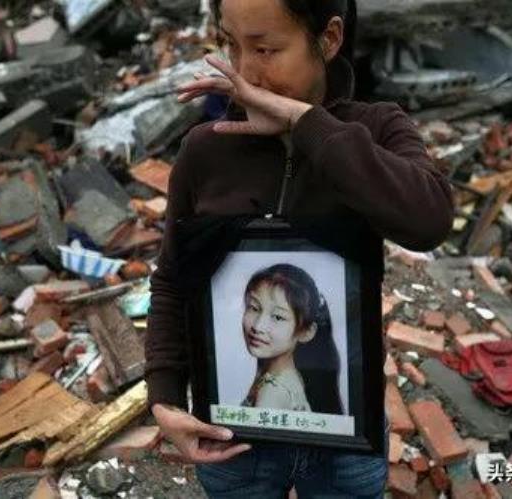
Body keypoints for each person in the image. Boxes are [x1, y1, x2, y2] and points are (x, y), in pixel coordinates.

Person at [146, 0, 454, 496]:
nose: (244, 72)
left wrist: (303, 124)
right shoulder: (206, 149)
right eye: (229, 44)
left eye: (265, 49)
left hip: (343, 439)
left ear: (328, 40)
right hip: (233, 440)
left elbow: (429, 221)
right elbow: (173, 278)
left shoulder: (374, 131)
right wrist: (163, 398)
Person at [239, 264, 343, 415]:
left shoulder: (273, 391)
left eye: (277, 317)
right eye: (254, 308)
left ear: (306, 332)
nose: (258, 326)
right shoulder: (287, 377)